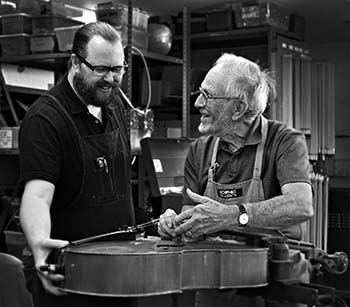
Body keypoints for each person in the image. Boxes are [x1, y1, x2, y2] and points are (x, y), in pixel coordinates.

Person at [158, 53, 313, 306]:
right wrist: (176, 224)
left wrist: (232, 215)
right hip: (215, 284)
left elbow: (300, 205)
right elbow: (190, 220)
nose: (197, 102)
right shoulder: (200, 150)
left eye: (207, 95)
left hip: (275, 286)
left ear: (238, 108)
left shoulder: (284, 141)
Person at [19, 22, 136, 307]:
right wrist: (39, 245)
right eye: (100, 70)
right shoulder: (45, 119)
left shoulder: (114, 105)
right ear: (74, 62)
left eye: (118, 69)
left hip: (122, 272)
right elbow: (36, 195)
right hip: (72, 279)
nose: (110, 79)